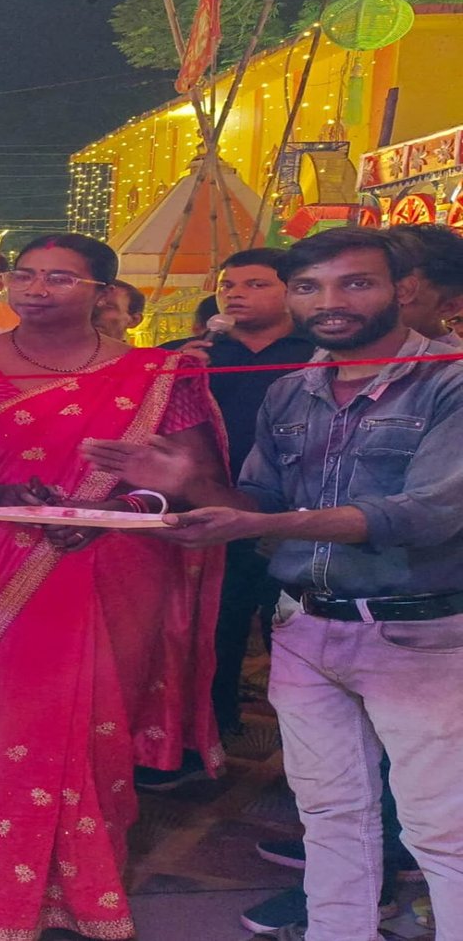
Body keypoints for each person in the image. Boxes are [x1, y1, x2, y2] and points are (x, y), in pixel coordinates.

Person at [85, 227, 463, 941]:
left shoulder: (450, 382)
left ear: (404, 289)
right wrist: (191, 485)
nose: (330, 302)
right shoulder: (293, 390)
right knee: (330, 812)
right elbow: (258, 497)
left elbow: (425, 515)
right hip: (304, 628)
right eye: (310, 287)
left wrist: (261, 521)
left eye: (356, 283)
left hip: (417, 630)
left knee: (441, 826)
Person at [0, 232, 227, 941]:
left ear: (103, 293)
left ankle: (81, 894)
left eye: (59, 277)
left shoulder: (159, 372)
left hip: (113, 566)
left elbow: (199, 484)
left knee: (91, 730)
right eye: (24, 274)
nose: (36, 288)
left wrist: (129, 503)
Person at [158, 249, 315, 742]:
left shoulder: (320, 353)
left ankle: (301, 742)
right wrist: (171, 375)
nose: (236, 294)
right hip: (205, 507)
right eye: (228, 285)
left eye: (256, 284)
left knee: (291, 627)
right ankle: (209, 732)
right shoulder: (186, 354)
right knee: (210, 625)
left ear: (292, 291)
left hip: (299, 512)